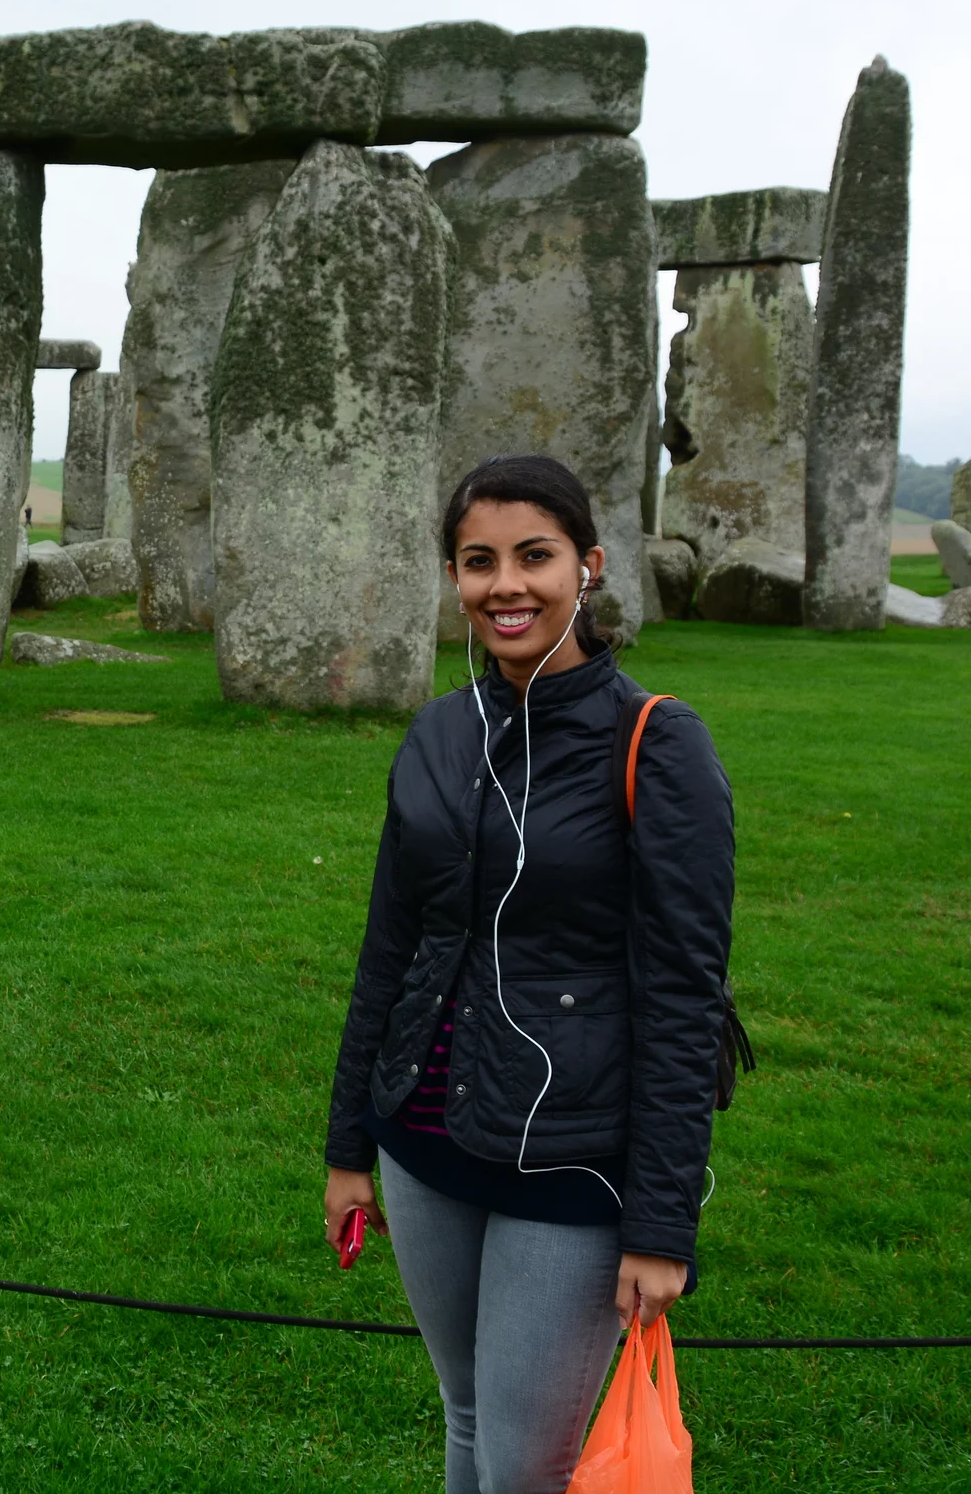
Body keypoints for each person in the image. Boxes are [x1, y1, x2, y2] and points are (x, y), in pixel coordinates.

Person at [324, 454, 735, 1494]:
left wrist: (660, 1221)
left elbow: (686, 996)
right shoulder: (437, 732)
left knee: (524, 1464)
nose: (505, 584)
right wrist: (346, 1148)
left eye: (533, 555)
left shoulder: (656, 742)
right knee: (466, 1423)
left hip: (570, 1157)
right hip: (423, 1139)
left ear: (588, 566)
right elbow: (389, 950)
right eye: (477, 561)